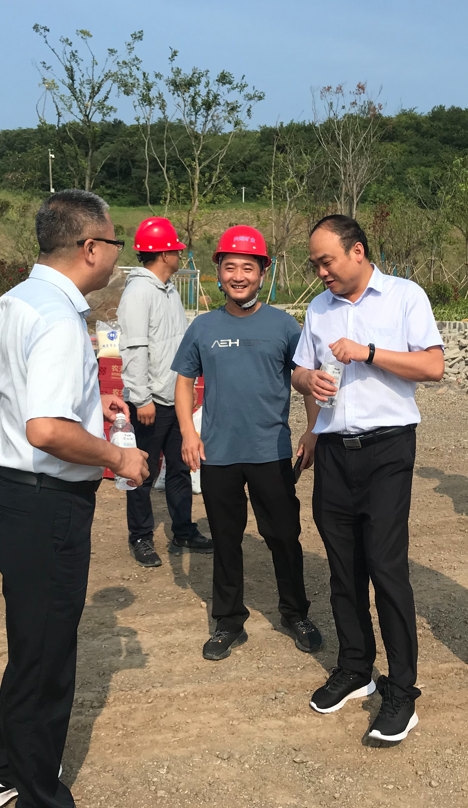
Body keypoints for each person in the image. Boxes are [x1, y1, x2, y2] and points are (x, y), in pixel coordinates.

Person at [0, 190, 150, 808]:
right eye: (115, 242)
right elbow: (46, 430)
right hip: (46, 503)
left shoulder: (15, 301)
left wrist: (90, 406)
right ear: (90, 247)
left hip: (12, 492)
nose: (119, 255)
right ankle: (38, 792)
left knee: (33, 643)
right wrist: (118, 457)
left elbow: (20, 395)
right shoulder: (59, 318)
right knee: (47, 657)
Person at [291, 214, 444, 744]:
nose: (321, 272)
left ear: (357, 251)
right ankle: (355, 667)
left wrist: (369, 353)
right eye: (315, 264)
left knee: (385, 566)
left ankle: (401, 690)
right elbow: (299, 370)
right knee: (343, 566)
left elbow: (433, 367)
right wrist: (308, 382)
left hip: (387, 450)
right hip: (334, 450)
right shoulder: (318, 308)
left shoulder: (405, 297)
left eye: (326, 261)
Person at [172, 226, 324, 661]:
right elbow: (184, 381)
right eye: (230, 267)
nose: (238, 276)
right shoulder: (203, 327)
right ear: (218, 272)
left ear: (263, 273)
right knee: (225, 539)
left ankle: (295, 613)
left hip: (270, 452)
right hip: (218, 454)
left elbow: (306, 381)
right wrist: (188, 433)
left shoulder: (284, 325)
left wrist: (312, 430)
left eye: (248, 268)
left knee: (284, 536)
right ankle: (228, 621)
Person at [117, 216, 213, 568]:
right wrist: (141, 398)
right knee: (140, 471)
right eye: (176, 250)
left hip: (174, 399)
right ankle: (140, 536)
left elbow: (178, 345)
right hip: (151, 403)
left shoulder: (168, 290)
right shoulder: (139, 293)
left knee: (180, 468)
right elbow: (134, 349)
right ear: (163, 254)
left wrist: (186, 388)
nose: (180, 255)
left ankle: (183, 529)